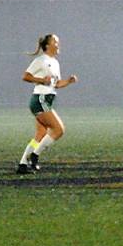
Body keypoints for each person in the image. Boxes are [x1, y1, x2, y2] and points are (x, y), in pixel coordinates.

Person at [16, 34, 78, 173]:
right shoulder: (41, 60)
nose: (58, 44)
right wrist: (42, 80)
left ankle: (22, 164)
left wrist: (68, 81)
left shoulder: (55, 62)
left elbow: (56, 84)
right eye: (55, 41)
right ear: (48, 45)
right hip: (40, 99)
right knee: (59, 129)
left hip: (46, 99)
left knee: (41, 134)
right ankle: (34, 156)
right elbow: (26, 76)